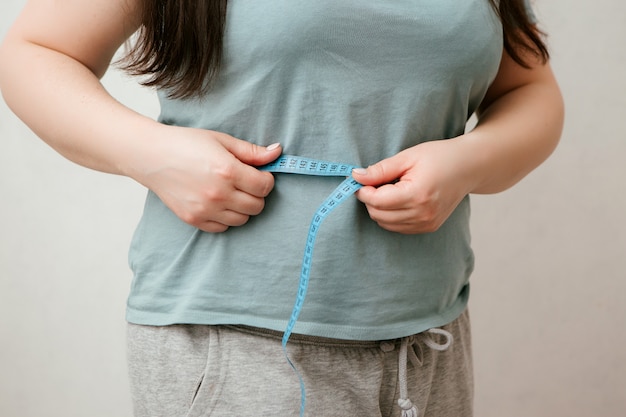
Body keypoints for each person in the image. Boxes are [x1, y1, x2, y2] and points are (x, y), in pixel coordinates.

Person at [0, 0, 563, 416]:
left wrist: (469, 160)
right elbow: (35, 52)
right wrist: (149, 152)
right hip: (234, 341)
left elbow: (529, 89)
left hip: (426, 344)